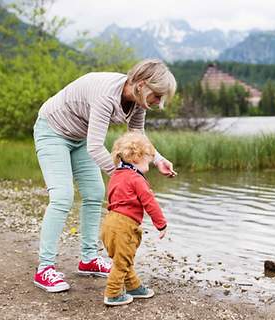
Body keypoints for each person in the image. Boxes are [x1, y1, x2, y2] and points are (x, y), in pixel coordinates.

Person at [32, 59, 177, 293]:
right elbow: (96, 147)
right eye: (157, 95)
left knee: (95, 193)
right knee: (62, 196)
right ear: (142, 84)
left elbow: (138, 138)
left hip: (80, 137)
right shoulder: (106, 95)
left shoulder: (138, 103)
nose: (159, 102)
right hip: (53, 130)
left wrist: (158, 159)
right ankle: (45, 268)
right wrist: (123, 176)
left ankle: (88, 259)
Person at [101, 132, 167, 306]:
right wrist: (161, 224)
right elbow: (150, 202)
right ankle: (113, 293)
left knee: (123, 258)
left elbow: (112, 197)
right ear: (137, 157)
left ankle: (133, 287)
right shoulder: (137, 178)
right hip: (125, 225)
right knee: (121, 262)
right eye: (148, 158)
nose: (150, 162)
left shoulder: (116, 175)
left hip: (109, 223)